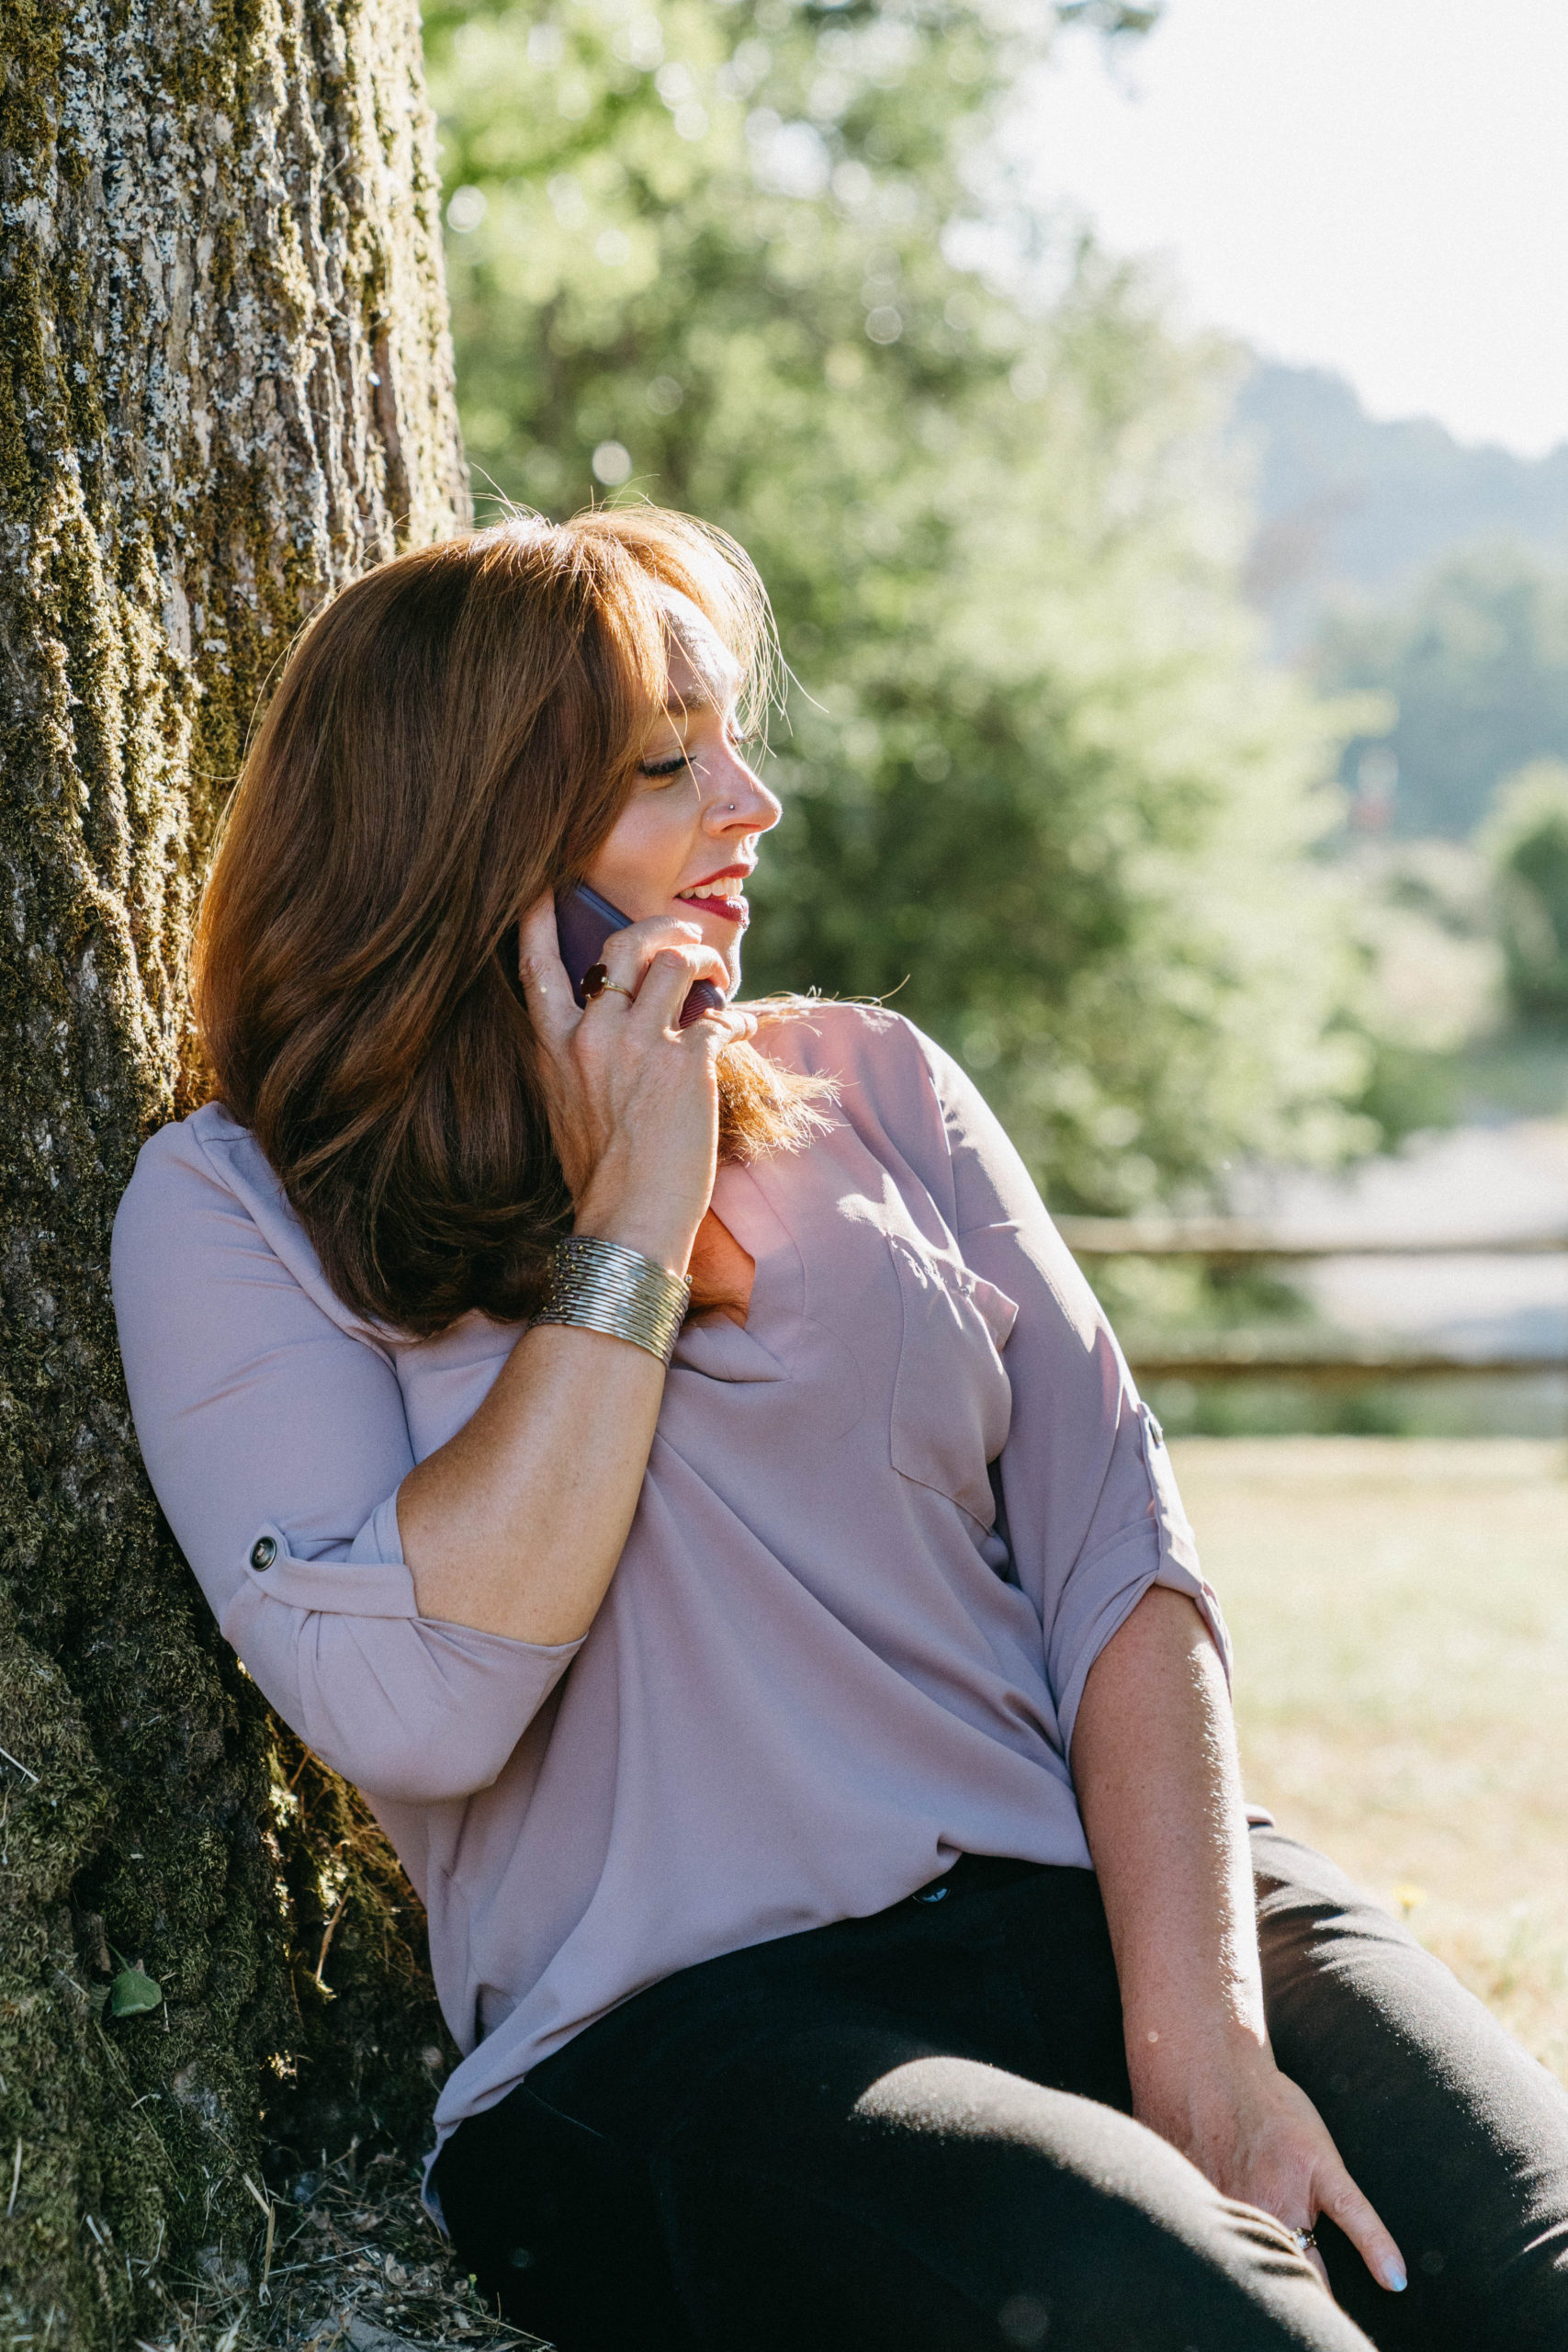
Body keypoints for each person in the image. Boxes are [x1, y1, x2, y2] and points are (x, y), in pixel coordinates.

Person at [111, 509, 1568, 2352]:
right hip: (684, 2037)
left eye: (732, 742)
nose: (752, 803)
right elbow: (424, 1699)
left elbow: (1118, 1566)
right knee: (1198, 2318)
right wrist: (631, 1226)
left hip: (1107, 1898)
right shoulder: (231, 1213)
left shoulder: (875, 1084)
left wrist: (1199, 2040)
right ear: (464, 826)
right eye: (668, 765)